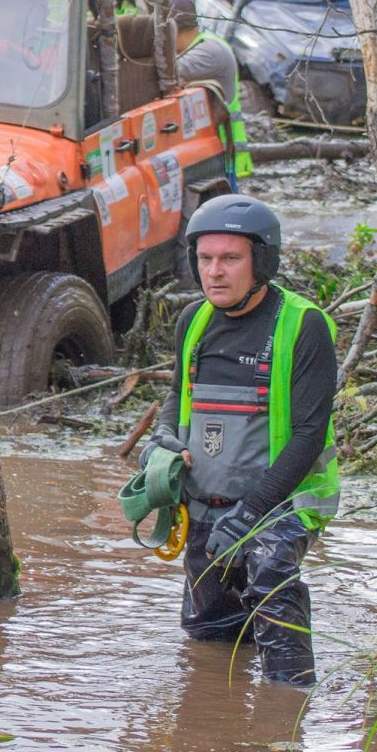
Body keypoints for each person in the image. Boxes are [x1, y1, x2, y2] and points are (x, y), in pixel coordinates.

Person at [146, 195, 337, 686]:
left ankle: (286, 725)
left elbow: (310, 433)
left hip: (279, 506)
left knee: (274, 591)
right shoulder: (193, 320)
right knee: (209, 645)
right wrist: (163, 437)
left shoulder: (303, 325)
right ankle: (220, 734)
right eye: (205, 259)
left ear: (261, 262)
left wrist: (250, 515)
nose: (215, 272)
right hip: (206, 503)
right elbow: (176, 396)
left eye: (230, 259)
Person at [170, 0, 252, 185]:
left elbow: (166, 75)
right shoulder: (199, 46)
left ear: (171, 30)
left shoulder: (208, 51)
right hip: (211, 153)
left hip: (221, 153)